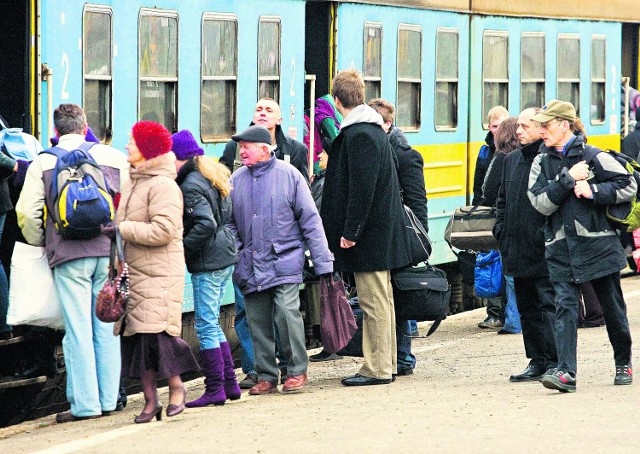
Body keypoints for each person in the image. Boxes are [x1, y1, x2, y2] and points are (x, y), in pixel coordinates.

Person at [16, 104, 128, 423]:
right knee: (106, 326)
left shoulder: (44, 162)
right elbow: (128, 201)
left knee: (77, 331)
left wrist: (42, 241)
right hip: (106, 254)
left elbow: (27, 213)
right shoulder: (112, 156)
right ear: (84, 126)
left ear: (55, 131)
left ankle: (85, 406)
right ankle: (108, 400)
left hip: (67, 256)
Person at [528, 99, 635, 392]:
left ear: (564, 125)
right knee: (564, 308)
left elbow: (629, 185)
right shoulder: (541, 162)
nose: (541, 132)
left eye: (546, 125)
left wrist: (594, 190)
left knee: (612, 309)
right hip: (561, 249)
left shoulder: (594, 155)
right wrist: (567, 180)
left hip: (598, 246)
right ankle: (565, 373)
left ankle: (623, 362)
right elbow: (540, 204)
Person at [320, 69, 413, 386]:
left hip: (369, 236)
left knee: (374, 301)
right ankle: (387, 363)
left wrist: (350, 231)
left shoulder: (360, 134)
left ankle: (377, 368)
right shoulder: (369, 131)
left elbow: (362, 189)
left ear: (336, 100)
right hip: (378, 233)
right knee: (383, 299)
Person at [228, 125, 333, 395]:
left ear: (264, 149)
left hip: (284, 260)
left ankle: (297, 370)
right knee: (257, 320)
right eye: (241, 147)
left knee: (286, 313)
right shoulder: (236, 180)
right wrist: (239, 253)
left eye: (246, 146)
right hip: (250, 264)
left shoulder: (290, 176)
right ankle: (266, 375)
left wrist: (323, 263)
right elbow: (228, 224)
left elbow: (311, 221)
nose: (241, 151)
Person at [111, 121, 199, 422]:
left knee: (157, 340)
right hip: (135, 274)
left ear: (147, 149)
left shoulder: (163, 185)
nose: (126, 147)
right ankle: (150, 402)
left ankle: (177, 389)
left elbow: (164, 230)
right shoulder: (133, 181)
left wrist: (123, 228)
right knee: (137, 344)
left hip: (158, 275)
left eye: (132, 143)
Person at [172, 129, 241, 407]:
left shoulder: (190, 184)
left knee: (205, 324)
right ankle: (230, 385)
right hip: (223, 255)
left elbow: (205, 225)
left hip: (209, 260)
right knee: (212, 322)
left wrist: (182, 248)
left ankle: (215, 388)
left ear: (180, 158)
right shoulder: (211, 175)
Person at [493, 107, 558, 382]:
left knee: (548, 305)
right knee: (527, 307)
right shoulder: (511, 161)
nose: (518, 131)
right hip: (516, 247)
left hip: (544, 248)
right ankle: (536, 360)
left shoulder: (550, 160)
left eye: (525, 126)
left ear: (540, 128)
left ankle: (556, 360)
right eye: (518, 126)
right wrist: (502, 231)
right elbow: (502, 201)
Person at [367, 98, 428, 376]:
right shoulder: (372, 151)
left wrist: (420, 242)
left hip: (401, 236)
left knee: (399, 298)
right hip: (380, 235)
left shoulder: (406, 156)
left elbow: (418, 202)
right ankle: (394, 356)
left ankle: (403, 357)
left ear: (388, 124)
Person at [483, 117, 522, 335]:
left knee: (509, 274)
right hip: (526, 223)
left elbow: (487, 191)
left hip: (507, 222)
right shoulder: (528, 156)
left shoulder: (501, 159)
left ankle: (513, 322)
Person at [474, 106, 509, 329]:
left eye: (504, 125)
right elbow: (478, 185)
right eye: (496, 126)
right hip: (489, 213)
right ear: (489, 126)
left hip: (507, 213)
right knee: (491, 265)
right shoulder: (485, 152)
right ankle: (494, 312)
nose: (500, 130)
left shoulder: (514, 150)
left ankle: (508, 313)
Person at [220, 97, 310, 182]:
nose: (262, 113)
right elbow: (221, 184)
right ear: (253, 119)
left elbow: (303, 190)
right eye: (259, 110)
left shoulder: (296, 150)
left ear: (279, 120)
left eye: (269, 111)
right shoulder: (234, 147)